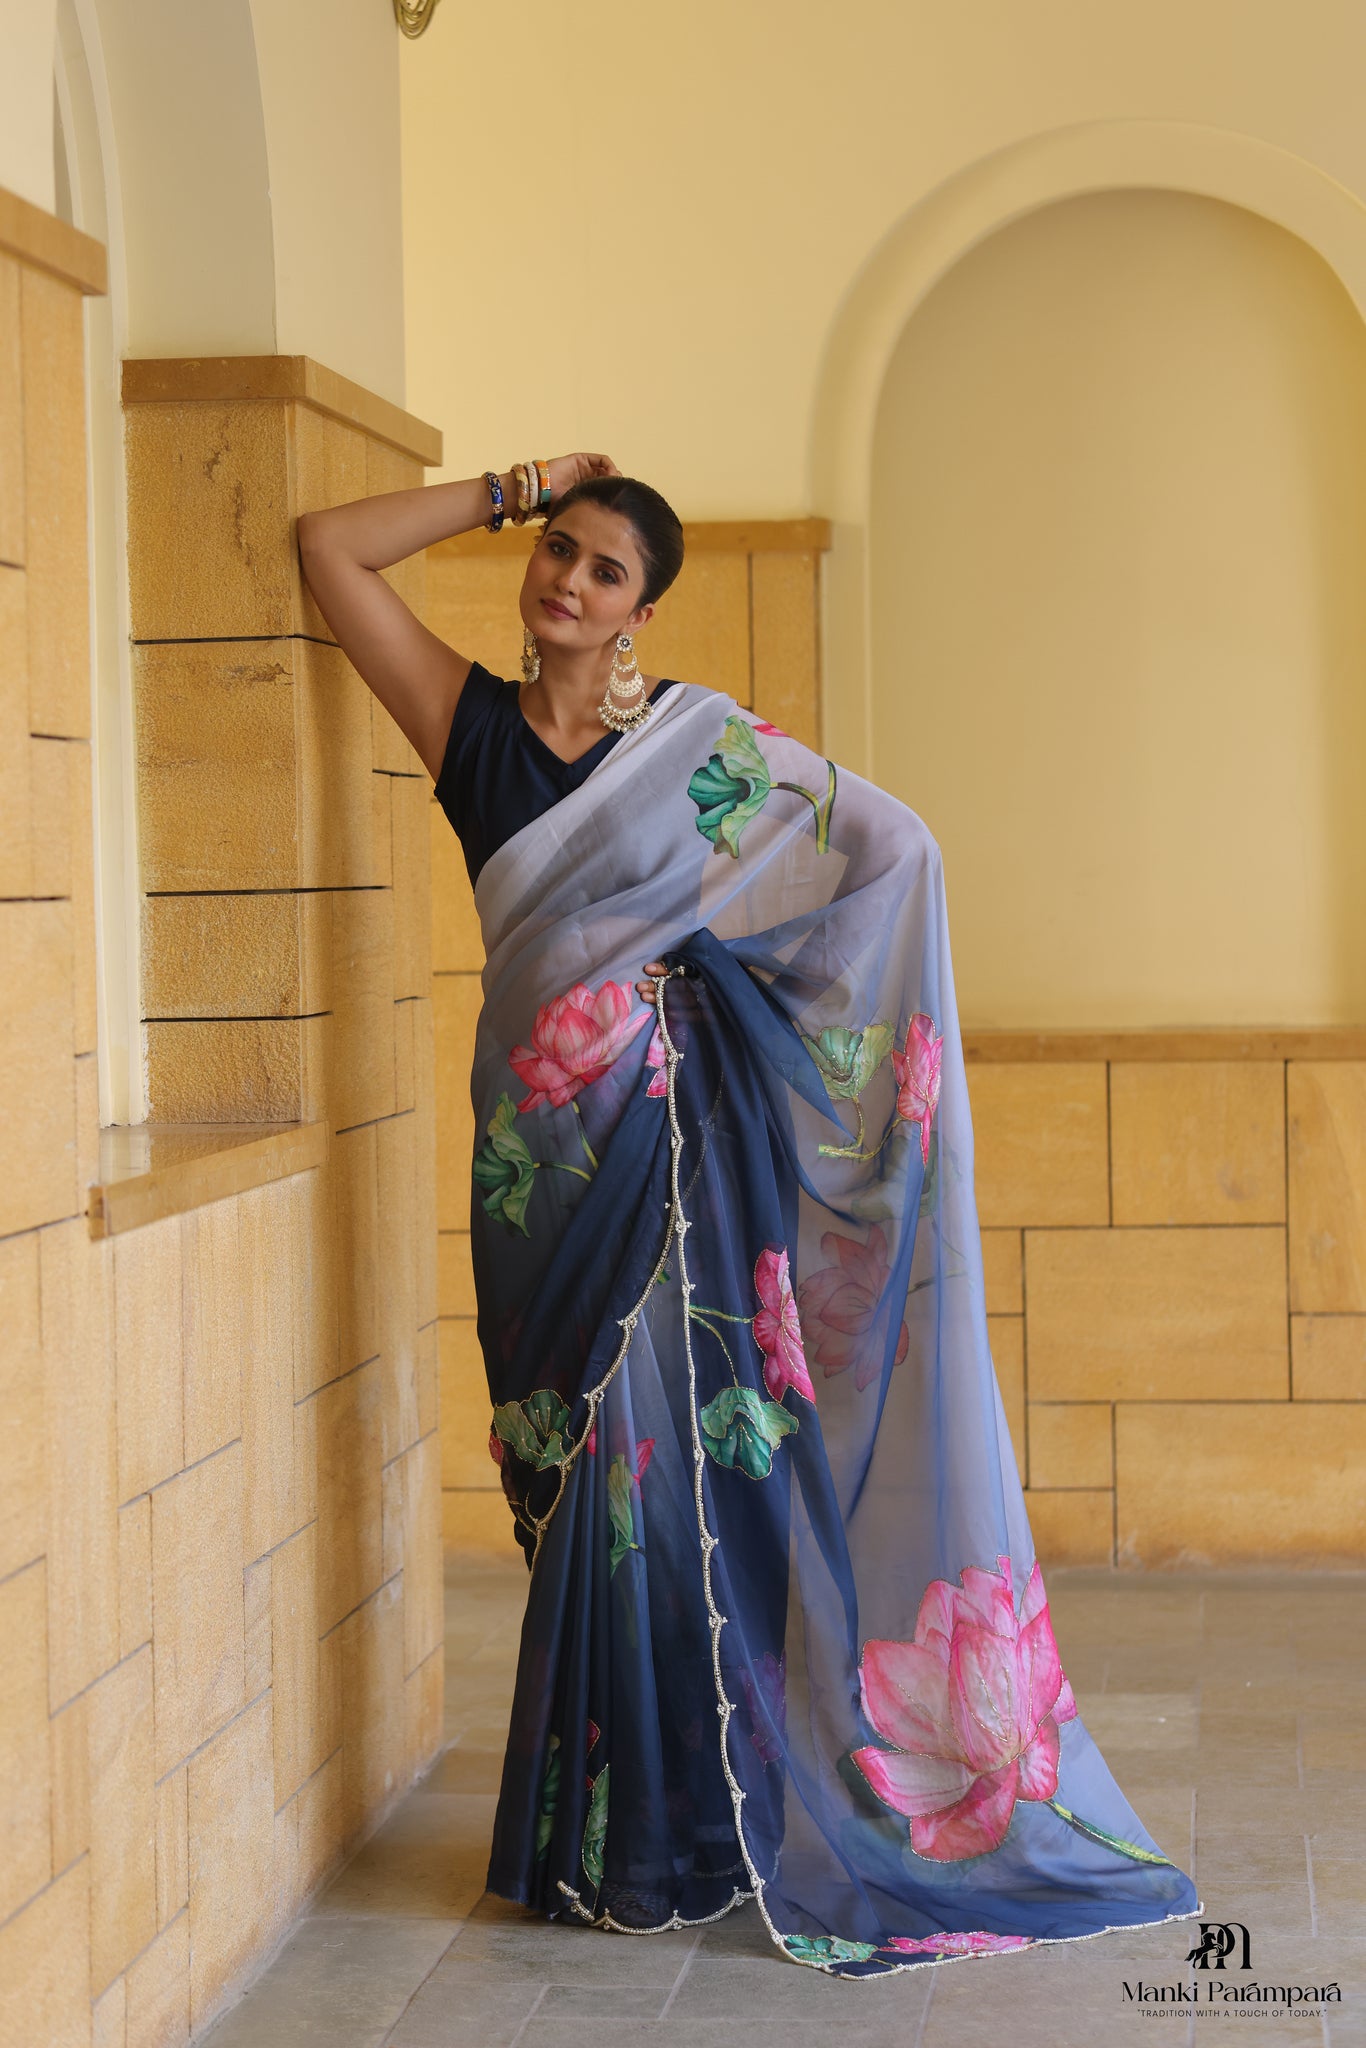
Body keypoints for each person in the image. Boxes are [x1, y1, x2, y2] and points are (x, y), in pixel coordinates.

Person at [297, 454, 1201, 1979]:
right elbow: (328, 548)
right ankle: (615, 1829)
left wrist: (730, 994)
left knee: (670, 1470)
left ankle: (680, 1831)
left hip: (670, 1154)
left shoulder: (697, 745)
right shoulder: (468, 728)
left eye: (603, 571)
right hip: (540, 1169)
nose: (566, 581)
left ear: (639, 612)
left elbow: (897, 850)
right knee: (580, 1474)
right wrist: (512, 484)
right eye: (558, 551)